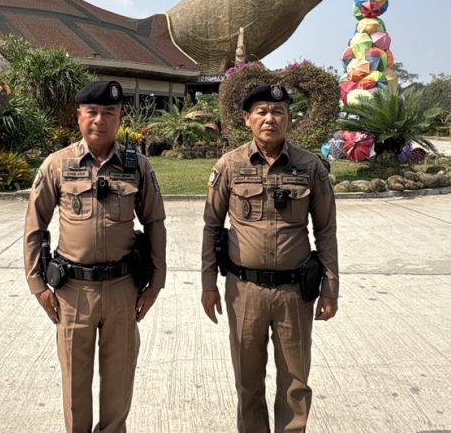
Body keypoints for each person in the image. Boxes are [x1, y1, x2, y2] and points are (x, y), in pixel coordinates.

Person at [23, 80, 168, 433]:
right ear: (79, 116)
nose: (99, 120)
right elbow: (34, 225)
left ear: (120, 117)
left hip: (122, 289)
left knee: (119, 383)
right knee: (75, 384)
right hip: (73, 291)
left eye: (108, 113)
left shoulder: (138, 166)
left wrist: (156, 283)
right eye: (92, 112)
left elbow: (155, 223)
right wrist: (38, 285)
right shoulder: (58, 165)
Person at [202, 84, 340, 433]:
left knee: (295, 384)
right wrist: (208, 285)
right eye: (261, 112)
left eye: (278, 111)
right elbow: (211, 226)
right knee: (248, 383)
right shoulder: (230, 165)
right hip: (244, 292)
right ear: (247, 119)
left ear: (289, 118)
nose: (269, 118)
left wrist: (330, 288)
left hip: (294, 293)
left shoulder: (310, 167)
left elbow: (325, 231)